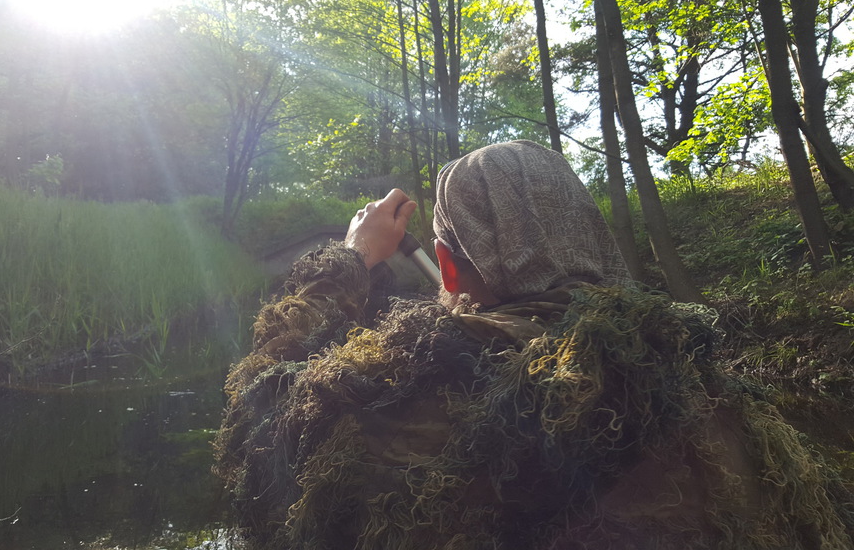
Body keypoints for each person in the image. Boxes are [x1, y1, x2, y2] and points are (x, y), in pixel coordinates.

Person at [214, 141, 853, 549]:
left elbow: (262, 419)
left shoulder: (430, 393)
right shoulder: (718, 398)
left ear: (449, 269)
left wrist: (352, 259)